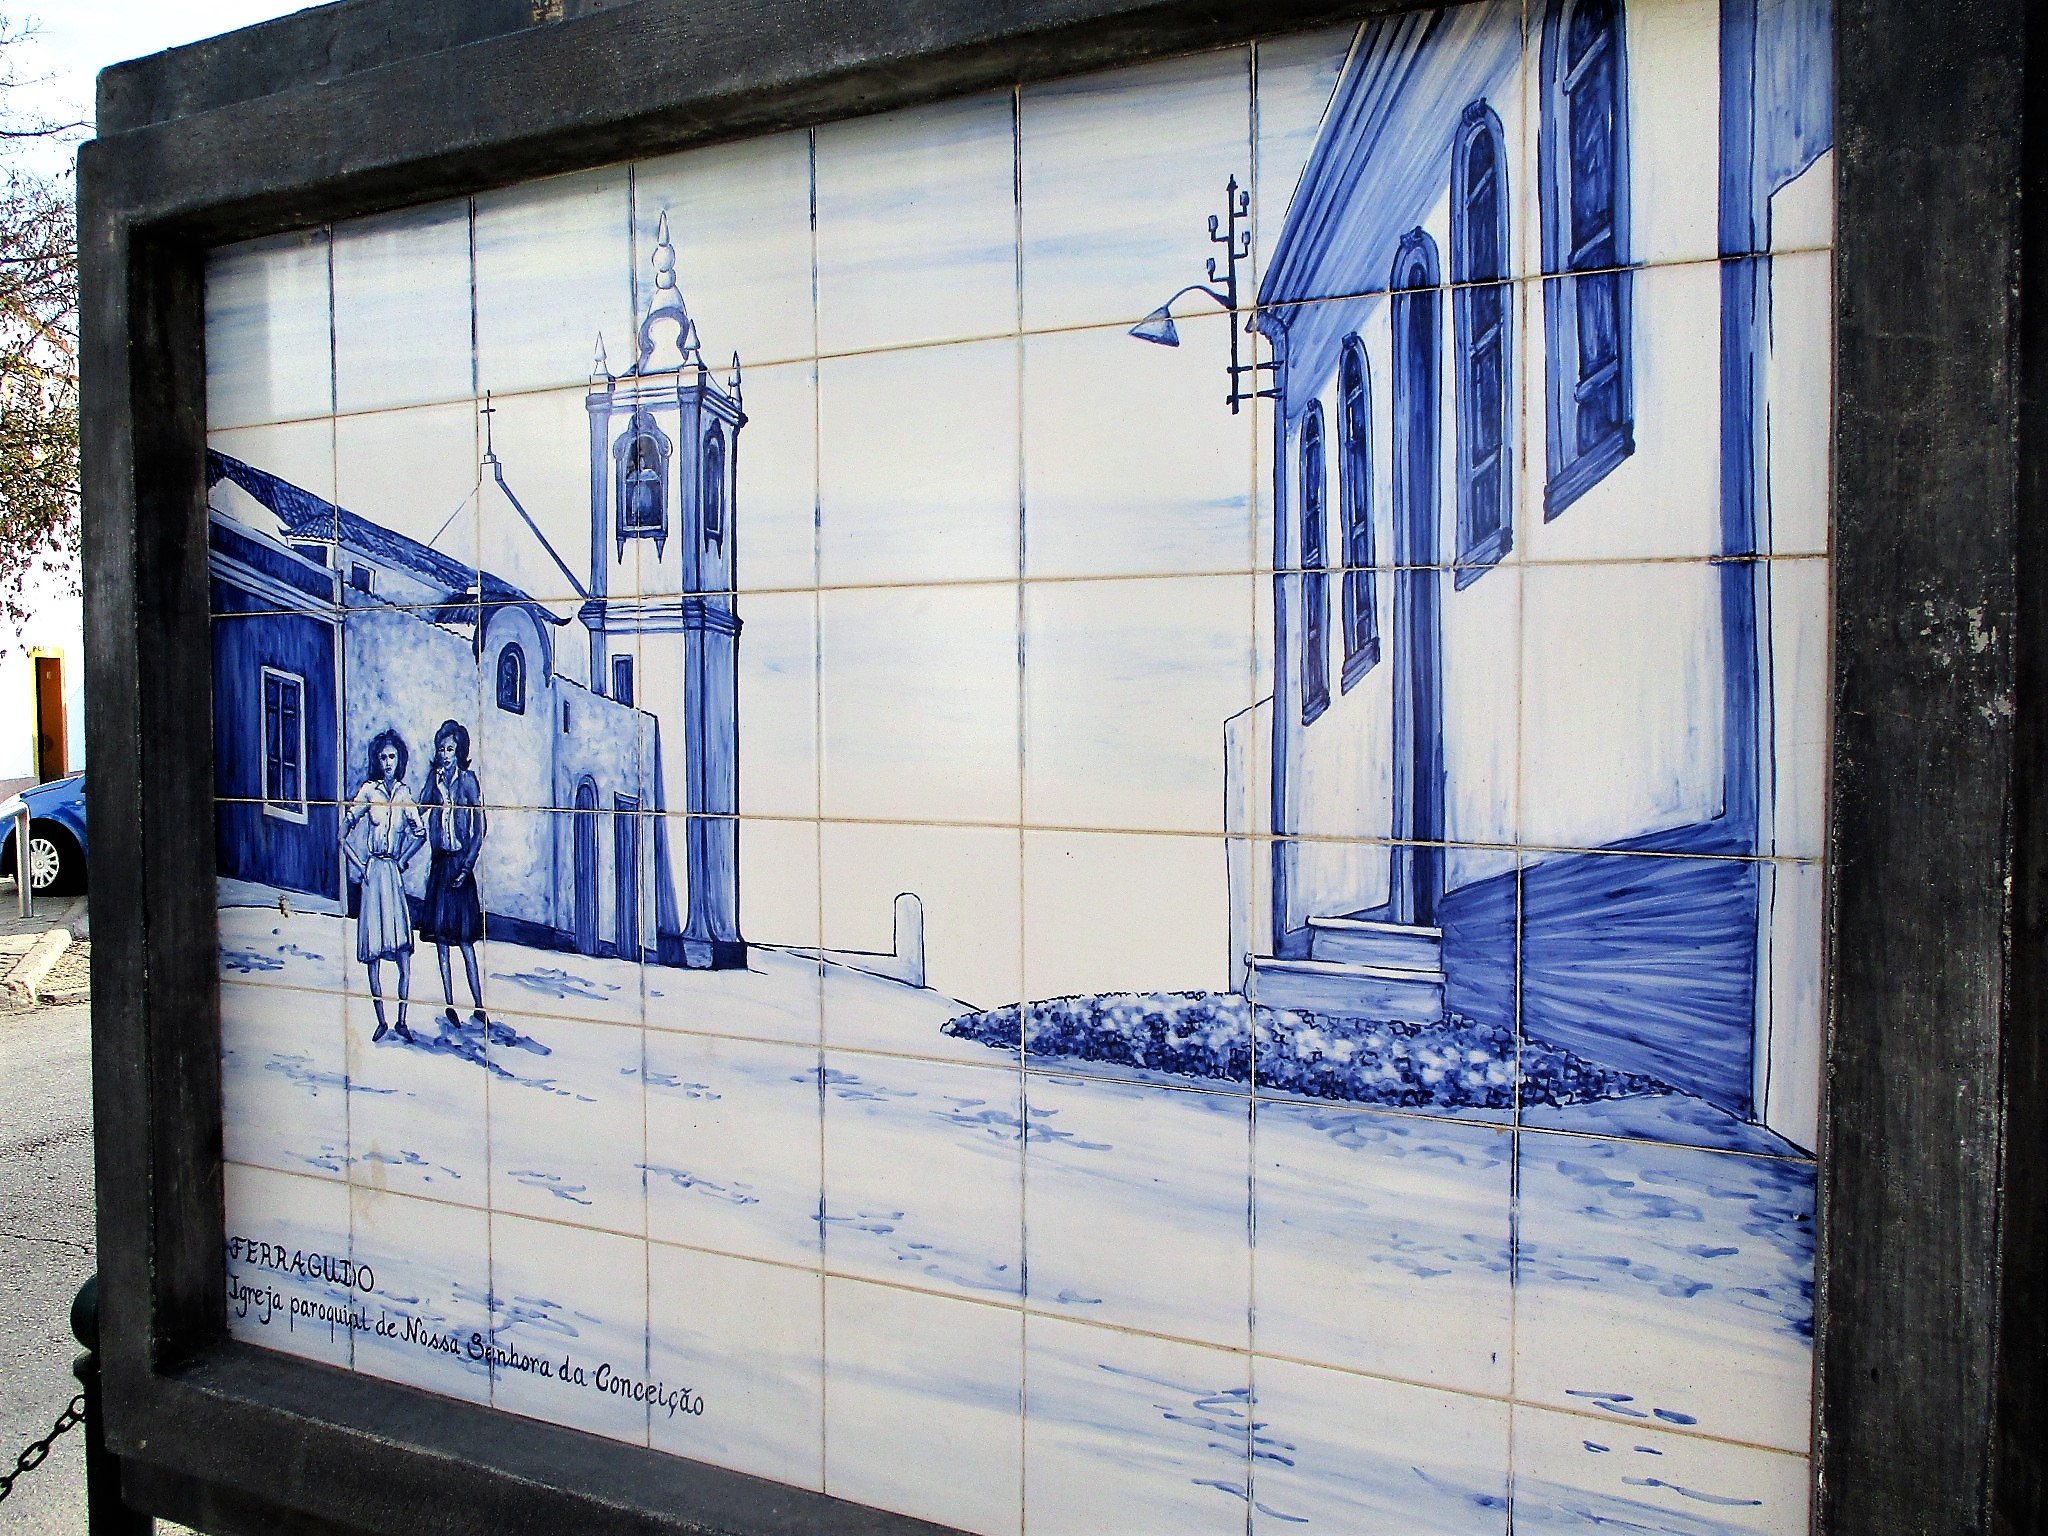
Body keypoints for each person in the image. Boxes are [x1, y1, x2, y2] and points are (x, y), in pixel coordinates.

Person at [343, 729, 426, 1041]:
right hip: (373, 873)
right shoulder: (369, 791)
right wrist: (360, 866)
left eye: (392, 757)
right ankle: (381, 1020)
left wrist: (402, 859)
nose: (388, 762)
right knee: (374, 953)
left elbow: (420, 833)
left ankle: (402, 1020)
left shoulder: (404, 795)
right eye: (382, 757)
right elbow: (343, 833)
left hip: (392, 874)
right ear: (376, 761)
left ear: (399, 759)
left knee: (403, 950)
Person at [418, 718, 488, 1033]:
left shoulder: (468, 781)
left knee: (465, 941)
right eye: (441, 749)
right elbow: (419, 807)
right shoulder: (434, 781)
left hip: (460, 863)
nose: (445, 755)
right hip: (440, 863)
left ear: (459, 752)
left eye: (450, 750)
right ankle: (450, 1003)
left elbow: (480, 827)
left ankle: (479, 1005)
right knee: (442, 941)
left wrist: (467, 865)